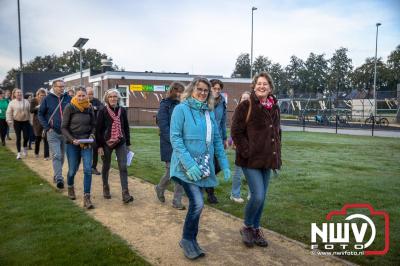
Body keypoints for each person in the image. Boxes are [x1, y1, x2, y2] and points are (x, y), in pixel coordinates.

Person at [170, 77, 230, 259]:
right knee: (198, 203)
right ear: (192, 89)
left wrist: (225, 164)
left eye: (206, 90)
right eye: (200, 89)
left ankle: (191, 239)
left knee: (198, 205)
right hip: (184, 167)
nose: (203, 93)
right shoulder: (181, 109)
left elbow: (217, 140)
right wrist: (189, 164)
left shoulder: (208, 112)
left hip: (203, 167)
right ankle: (187, 239)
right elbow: (176, 139)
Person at [231, 72, 282, 248]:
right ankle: (247, 226)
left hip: (267, 159)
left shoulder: (274, 107)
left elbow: (276, 132)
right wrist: (247, 151)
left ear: (270, 87)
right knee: (257, 196)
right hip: (250, 160)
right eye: (259, 83)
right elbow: (236, 131)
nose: (262, 86)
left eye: (265, 84)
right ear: (254, 86)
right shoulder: (246, 105)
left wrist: (276, 156)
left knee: (262, 197)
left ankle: (256, 228)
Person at [96, 89, 134, 204]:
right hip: (106, 143)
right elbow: (98, 130)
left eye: (115, 96)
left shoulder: (122, 110)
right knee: (106, 166)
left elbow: (126, 127)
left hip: (120, 142)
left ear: (118, 98)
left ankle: (125, 193)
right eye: (110, 97)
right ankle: (106, 187)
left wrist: (127, 144)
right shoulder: (102, 111)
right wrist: (99, 146)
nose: (113, 98)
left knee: (123, 167)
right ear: (107, 98)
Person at [62, 87, 95, 209]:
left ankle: (87, 197)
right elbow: (63, 127)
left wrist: (92, 134)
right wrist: (72, 139)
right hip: (72, 143)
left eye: (83, 95)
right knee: (72, 170)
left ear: (87, 96)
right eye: (79, 95)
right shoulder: (69, 107)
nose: (81, 98)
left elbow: (93, 125)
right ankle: (70, 187)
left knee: (87, 169)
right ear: (75, 96)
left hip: (86, 143)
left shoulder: (89, 108)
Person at [154, 81, 186, 210]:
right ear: (172, 91)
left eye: (181, 91)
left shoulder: (182, 105)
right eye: (177, 91)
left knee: (181, 172)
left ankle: (176, 200)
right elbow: (163, 125)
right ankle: (160, 187)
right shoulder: (164, 105)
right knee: (171, 171)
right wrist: (173, 141)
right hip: (169, 143)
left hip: (182, 143)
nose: (179, 94)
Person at [38, 80, 72, 189]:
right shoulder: (47, 99)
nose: (62, 88)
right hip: (53, 132)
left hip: (66, 133)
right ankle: (59, 178)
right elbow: (40, 114)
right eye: (59, 86)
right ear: (54, 87)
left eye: (63, 86)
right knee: (56, 155)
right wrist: (47, 128)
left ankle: (57, 174)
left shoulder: (68, 98)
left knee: (62, 156)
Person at [203, 79, 227, 204]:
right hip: (205, 139)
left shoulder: (222, 102)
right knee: (209, 165)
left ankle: (204, 185)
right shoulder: (204, 101)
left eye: (219, 89)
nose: (217, 91)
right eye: (214, 88)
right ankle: (210, 193)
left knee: (218, 166)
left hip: (217, 139)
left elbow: (223, 121)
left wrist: (224, 138)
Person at [230, 91, 251, 203]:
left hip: (252, 147)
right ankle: (234, 194)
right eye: (243, 98)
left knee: (252, 173)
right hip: (240, 147)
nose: (245, 100)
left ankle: (251, 194)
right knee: (238, 172)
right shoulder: (237, 112)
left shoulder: (253, 113)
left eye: (248, 98)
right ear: (240, 100)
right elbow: (234, 130)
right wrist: (233, 142)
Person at [6, 88, 30, 159]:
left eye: (20, 92)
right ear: (14, 94)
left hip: (25, 121)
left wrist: (31, 121)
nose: (19, 94)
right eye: (18, 93)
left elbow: (30, 112)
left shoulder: (26, 101)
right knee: (18, 138)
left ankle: (24, 147)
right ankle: (19, 153)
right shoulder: (12, 103)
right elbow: (8, 112)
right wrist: (9, 120)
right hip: (17, 122)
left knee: (26, 137)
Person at [86, 86, 103, 175]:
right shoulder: (83, 101)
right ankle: (86, 166)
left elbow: (102, 107)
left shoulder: (96, 101)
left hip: (95, 128)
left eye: (92, 94)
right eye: (89, 94)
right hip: (85, 128)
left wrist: (94, 108)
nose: (90, 96)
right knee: (86, 148)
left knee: (95, 147)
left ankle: (93, 167)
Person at [30, 88, 50, 159]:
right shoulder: (34, 100)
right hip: (37, 122)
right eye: (41, 95)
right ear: (38, 95)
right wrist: (37, 107)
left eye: (44, 95)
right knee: (38, 138)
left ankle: (46, 156)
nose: (43, 97)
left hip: (45, 121)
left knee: (46, 138)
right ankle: (36, 153)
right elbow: (31, 110)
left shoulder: (47, 100)